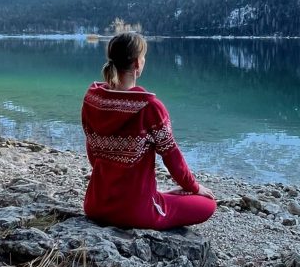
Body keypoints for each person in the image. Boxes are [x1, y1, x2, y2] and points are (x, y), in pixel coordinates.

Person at [81, 32, 216, 229]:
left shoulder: (92, 100)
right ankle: (161, 197)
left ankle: (161, 195)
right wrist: (194, 187)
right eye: (143, 56)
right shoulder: (149, 107)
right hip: (135, 213)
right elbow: (172, 157)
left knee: (167, 195)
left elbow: (93, 155)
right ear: (137, 63)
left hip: (95, 204)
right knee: (208, 204)